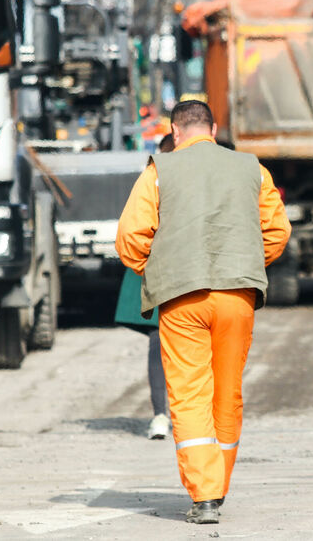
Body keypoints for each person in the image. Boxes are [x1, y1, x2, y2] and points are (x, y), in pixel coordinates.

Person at [115, 100, 291, 525]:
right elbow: (278, 230)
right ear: (212, 128)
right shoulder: (252, 169)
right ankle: (221, 483)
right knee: (227, 392)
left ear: (176, 132)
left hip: (183, 299)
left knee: (190, 393)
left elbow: (129, 237)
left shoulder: (160, 171)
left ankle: (205, 495)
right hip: (238, 296)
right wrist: (246, 264)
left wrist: (158, 269)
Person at [114, 134, 175, 441]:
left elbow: (131, 232)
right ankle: (169, 415)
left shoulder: (152, 175)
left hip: (158, 272)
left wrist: (144, 268)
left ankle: (161, 415)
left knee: (158, 344)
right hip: (182, 275)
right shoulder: (173, 176)